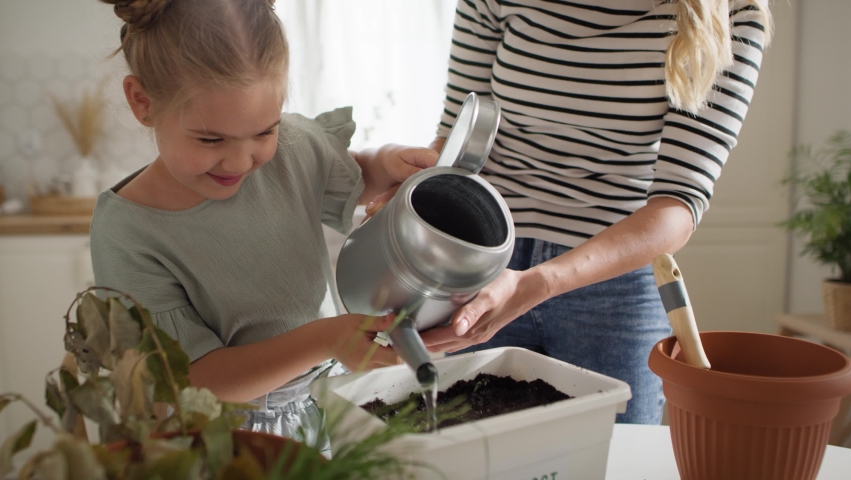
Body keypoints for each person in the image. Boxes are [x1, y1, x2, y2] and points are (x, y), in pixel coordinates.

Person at [89, 0, 438, 453]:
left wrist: (385, 159)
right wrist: (328, 338)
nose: (241, 161)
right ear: (142, 102)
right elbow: (193, 381)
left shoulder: (292, 147)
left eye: (263, 132)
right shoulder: (129, 232)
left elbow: (349, 173)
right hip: (223, 441)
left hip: (327, 409)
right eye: (210, 139)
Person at [404, 0, 773, 424]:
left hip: (613, 285)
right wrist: (406, 192)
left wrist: (539, 282)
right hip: (481, 261)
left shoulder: (729, 12)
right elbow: (457, 137)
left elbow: (677, 204)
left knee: (615, 462)